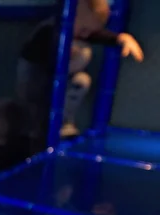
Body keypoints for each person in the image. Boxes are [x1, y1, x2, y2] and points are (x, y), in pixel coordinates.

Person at [16, 0, 143, 141]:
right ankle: (36, 131)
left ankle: (63, 123)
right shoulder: (49, 30)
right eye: (83, 29)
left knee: (82, 80)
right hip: (36, 82)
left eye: (89, 31)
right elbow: (33, 56)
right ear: (71, 16)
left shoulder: (78, 30)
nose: (85, 35)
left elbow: (97, 36)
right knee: (35, 115)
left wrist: (120, 39)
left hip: (58, 82)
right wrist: (60, 53)